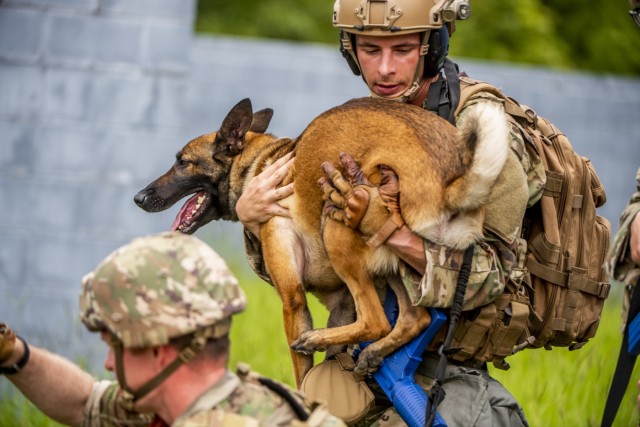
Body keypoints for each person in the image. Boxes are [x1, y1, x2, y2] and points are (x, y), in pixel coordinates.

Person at [236, 1, 546, 426]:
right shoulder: (366, 123)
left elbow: (486, 282)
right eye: (369, 49)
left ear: (432, 46)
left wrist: (390, 232)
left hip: (442, 369)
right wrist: (254, 222)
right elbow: (317, 276)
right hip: (359, 363)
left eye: (401, 49)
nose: (383, 69)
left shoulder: (482, 134)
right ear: (350, 50)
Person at [0, 232, 346, 427]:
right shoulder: (252, 402)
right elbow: (84, 403)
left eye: (113, 346)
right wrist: (14, 354)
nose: (107, 363)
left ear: (156, 348)